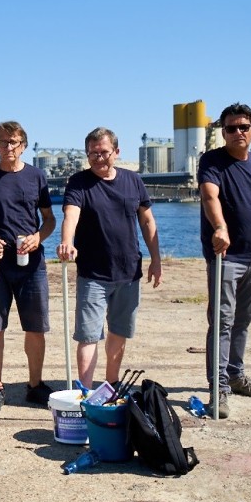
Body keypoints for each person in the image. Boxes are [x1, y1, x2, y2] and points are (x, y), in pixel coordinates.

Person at [57, 127, 162, 390]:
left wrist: (156, 259)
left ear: (116, 152)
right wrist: (67, 241)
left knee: (119, 332)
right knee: (88, 336)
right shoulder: (79, 182)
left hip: (129, 273)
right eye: (92, 153)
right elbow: (71, 214)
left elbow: (147, 220)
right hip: (93, 274)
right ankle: (85, 390)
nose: (98, 158)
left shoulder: (132, 181)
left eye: (103, 152)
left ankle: (111, 384)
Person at [0, 121, 56, 415]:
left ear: (24, 145)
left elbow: (49, 220)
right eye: (4, 142)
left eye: (15, 142)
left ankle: (35, 385)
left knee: (36, 327)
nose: (9, 148)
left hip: (31, 264)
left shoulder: (37, 177)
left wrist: (37, 237)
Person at [199, 103, 251, 419]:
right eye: (231, 128)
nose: (238, 132)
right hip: (225, 257)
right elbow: (209, 195)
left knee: (242, 322)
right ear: (223, 131)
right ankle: (218, 390)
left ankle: (235, 374)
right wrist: (219, 227)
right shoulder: (212, 160)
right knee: (222, 323)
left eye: (243, 127)